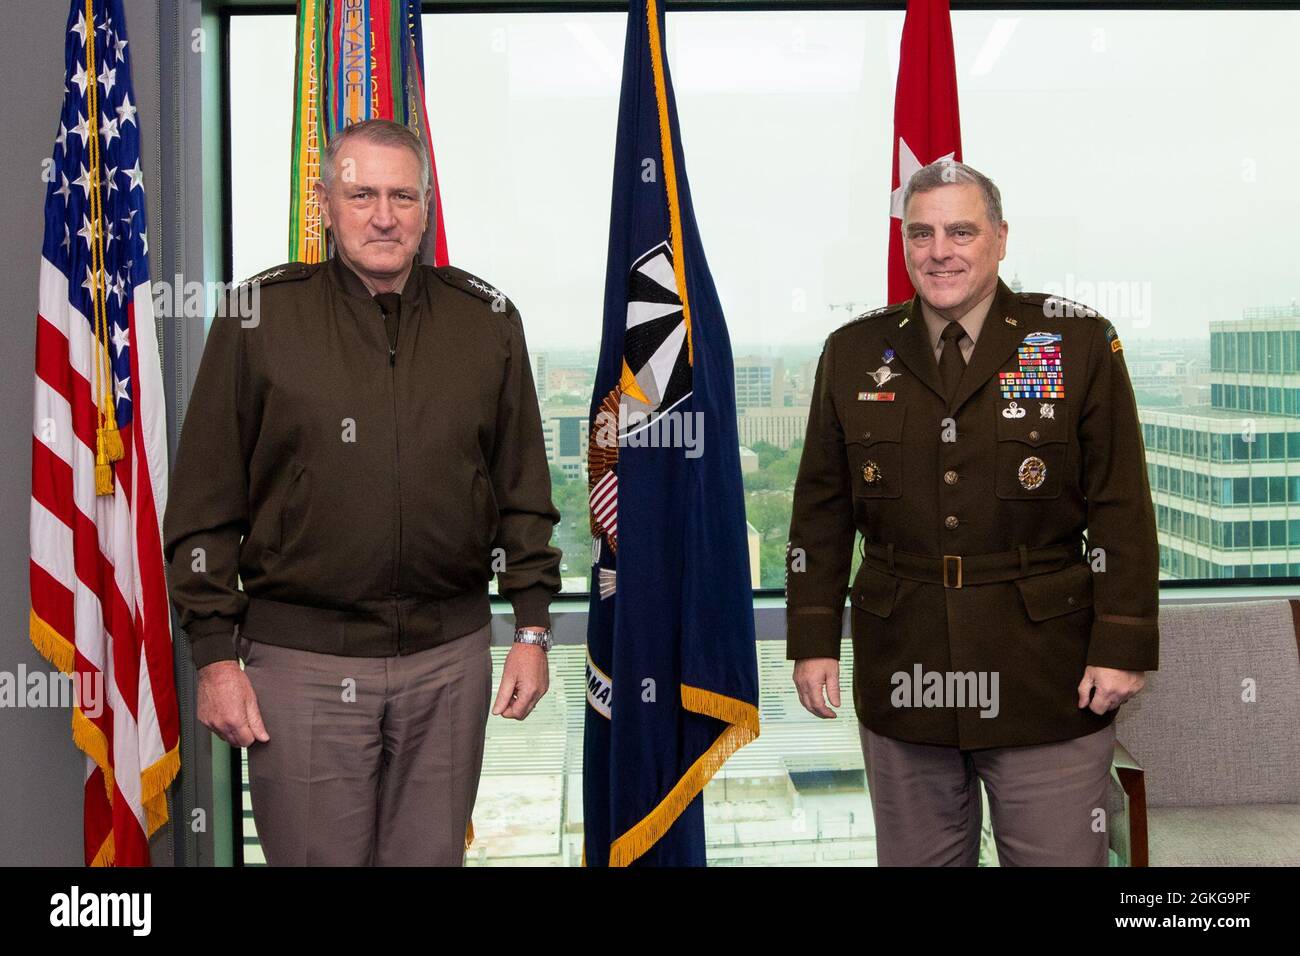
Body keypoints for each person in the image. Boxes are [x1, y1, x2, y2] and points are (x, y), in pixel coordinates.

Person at [163, 119, 562, 866]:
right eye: (362, 194)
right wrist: (215, 658)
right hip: (300, 664)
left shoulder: (488, 323)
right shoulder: (258, 317)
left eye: (402, 195)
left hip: (451, 660)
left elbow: (523, 495)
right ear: (324, 204)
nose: (384, 215)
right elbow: (203, 508)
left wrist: (533, 629)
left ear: (426, 207)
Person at [785, 159, 1158, 866]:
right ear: (902, 244)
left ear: (1001, 238)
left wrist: (1123, 644)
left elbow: (1121, 505)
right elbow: (821, 510)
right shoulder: (855, 350)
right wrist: (812, 639)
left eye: (961, 231)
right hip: (906, 667)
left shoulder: (1075, 340)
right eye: (920, 234)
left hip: (1045, 674)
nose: (939, 251)